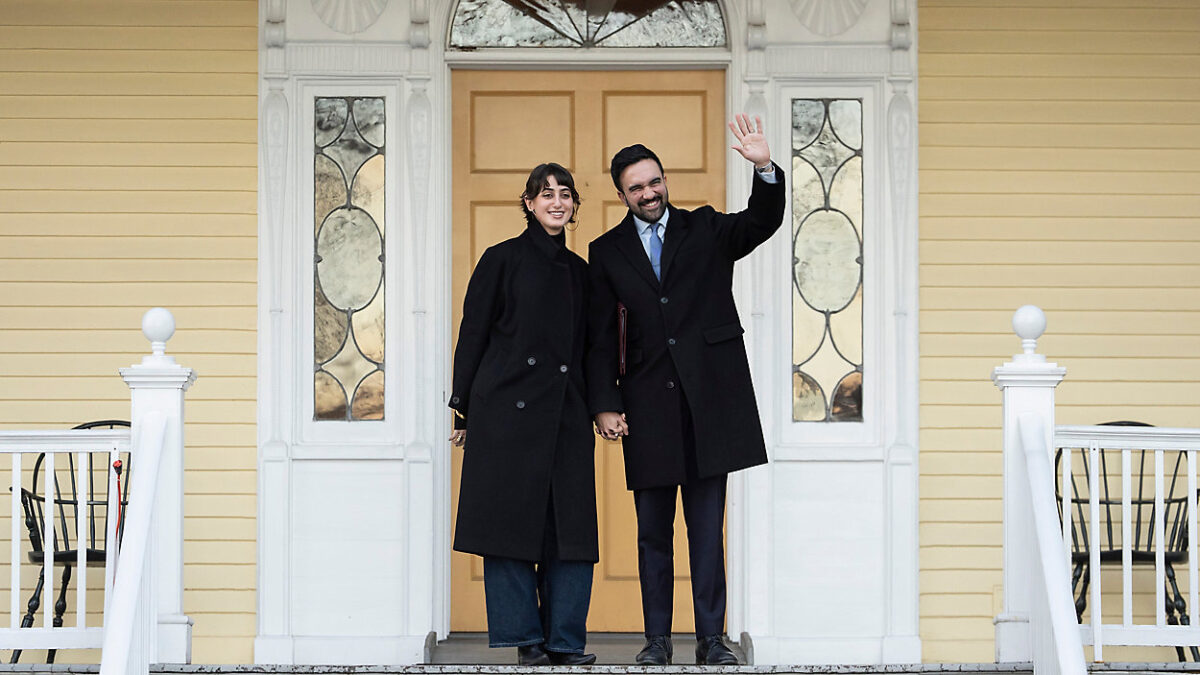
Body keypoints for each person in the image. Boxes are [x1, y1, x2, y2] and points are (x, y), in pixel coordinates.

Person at [585, 114, 785, 665]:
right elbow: (599, 337)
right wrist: (605, 402)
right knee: (652, 535)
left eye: (654, 182)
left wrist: (764, 167)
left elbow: (761, 223)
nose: (648, 194)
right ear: (621, 194)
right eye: (636, 188)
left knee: (705, 533)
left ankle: (711, 641)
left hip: (709, 405)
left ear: (664, 180)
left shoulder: (706, 229)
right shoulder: (605, 253)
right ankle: (655, 643)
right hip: (646, 407)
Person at [448, 163, 598, 666]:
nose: (557, 202)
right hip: (505, 415)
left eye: (565, 194)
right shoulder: (502, 259)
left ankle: (565, 641)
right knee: (508, 529)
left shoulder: (581, 273)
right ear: (529, 203)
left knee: (571, 531)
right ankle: (527, 640)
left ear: (574, 204)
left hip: (566, 414)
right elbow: (473, 335)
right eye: (546, 194)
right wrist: (462, 407)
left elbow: (593, 350)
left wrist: (603, 406)